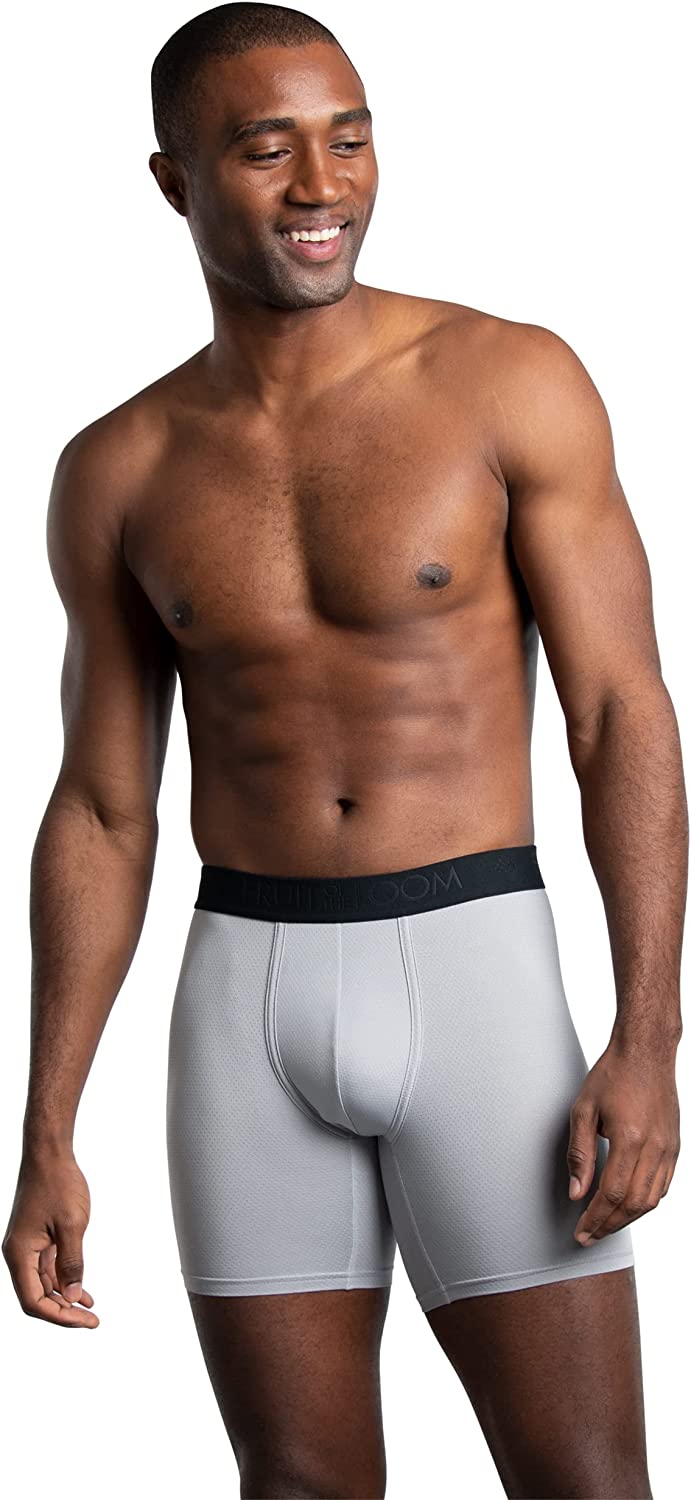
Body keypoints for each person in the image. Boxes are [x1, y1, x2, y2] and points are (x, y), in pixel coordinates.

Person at [3, 4, 685, 1496]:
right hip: (242, 993)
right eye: (269, 150)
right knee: (298, 1487)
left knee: (585, 1480)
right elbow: (105, 808)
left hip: (479, 970)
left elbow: (619, 711)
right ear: (176, 181)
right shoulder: (117, 468)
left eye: (350, 138)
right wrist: (47, 1124)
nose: (323, 186)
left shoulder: (508, 381)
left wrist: (650, 1036)